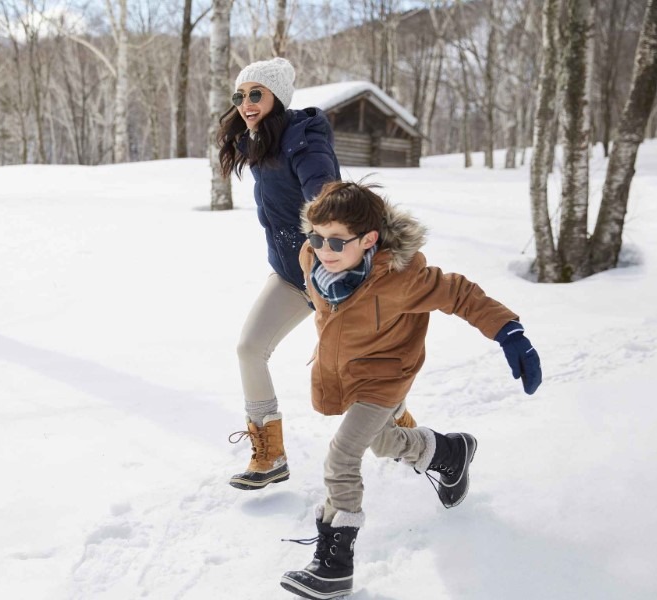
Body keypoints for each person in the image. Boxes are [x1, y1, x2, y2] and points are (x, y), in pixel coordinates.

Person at [277, 180, 543, 600]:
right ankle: (449, 453)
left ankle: (335, 565)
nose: (323, 249)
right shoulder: (312, 257)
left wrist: (509, 333)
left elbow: (461, 294)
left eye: (335, 241)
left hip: (387, 374)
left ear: (369, 240)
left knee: (343, 454)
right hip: (349, 369)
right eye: (316, 236)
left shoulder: (402, 278)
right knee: (381, 441)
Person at [217, 58, 416, 491]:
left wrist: (328, 208)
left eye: (256, 94)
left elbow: (325, 189)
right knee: (250, 348)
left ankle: (402, 422)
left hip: (336, 278)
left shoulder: (302, 140)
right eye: (241, 95)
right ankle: (269, 453)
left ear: (277, 97)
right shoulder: (259, 141)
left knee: (358, 370)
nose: (246, 104)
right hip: (291, 274)